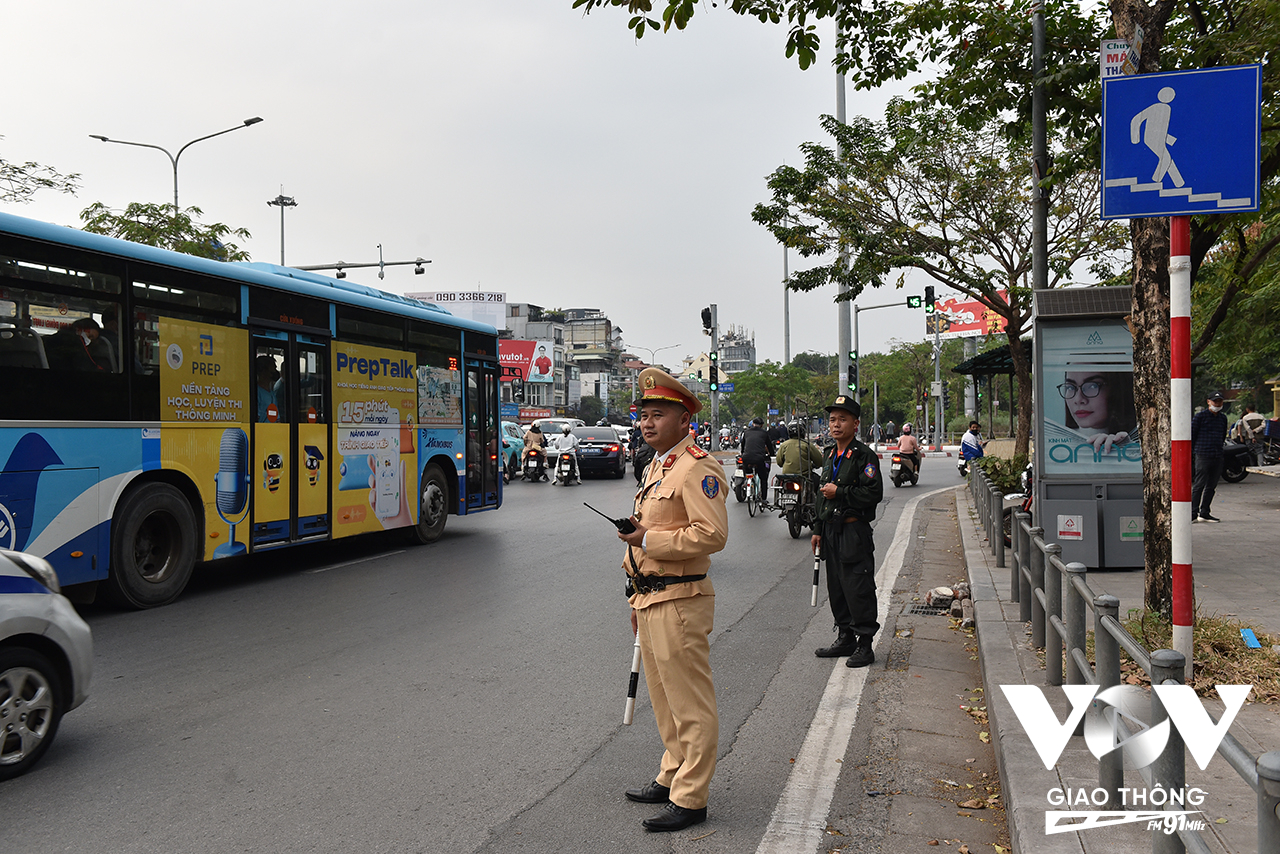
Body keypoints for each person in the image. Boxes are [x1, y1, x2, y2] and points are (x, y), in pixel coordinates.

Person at [618, 367, 728, 833]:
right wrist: (634, 597)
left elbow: (712, 534)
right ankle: (672, 774)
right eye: (644, 414)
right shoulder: (656, 464)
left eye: (657, 414)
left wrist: (648, 540)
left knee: (690, 703)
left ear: (685, 420)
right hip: (651, 598)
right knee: (664, 701)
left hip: (681, 599)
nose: (646, 423)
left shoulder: (698, 466)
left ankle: (691, 797)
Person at [811, 395, 884, 668]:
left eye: (842, 419)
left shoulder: (864, 455)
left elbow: (873, 492)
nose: (836, 424)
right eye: (832, 419)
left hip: (854, 532)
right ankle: (845, 637)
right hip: (831, 531)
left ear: (855, 424)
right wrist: (818, 528)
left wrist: (839, 492)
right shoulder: (830, 454)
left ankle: (865, 645)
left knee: (858, 587)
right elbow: (821, 496)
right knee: (838, 587)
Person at [1059, 370, 1137, 456]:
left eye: (1092, 386)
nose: (1078, 399)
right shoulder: (1056, 444)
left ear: (1117, 388)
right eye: (1070, 387)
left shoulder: (1140, 444)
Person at [1191, 392, 1229, 522]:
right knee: (1199, 484)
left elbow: (1223, 434)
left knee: (1211, 486)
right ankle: (1193, 512)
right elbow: (1192, 434)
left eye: (1219, 402)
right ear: (1208, 402)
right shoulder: (1200, 417)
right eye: (1215, 401)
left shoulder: (1223, 418)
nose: (1217, 404)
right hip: (1203, 453)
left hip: (1217, 454)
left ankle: (1205, 511)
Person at [739, 418, 775, 496]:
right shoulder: (764, 433)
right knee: (763, 478)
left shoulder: (746, 432)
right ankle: (764, 498)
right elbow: (769, 445)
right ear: (762, 425)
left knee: (747, 471)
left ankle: (746, 480)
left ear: (753, 424)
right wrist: (772, 454)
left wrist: (742, 453)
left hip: (746, 458)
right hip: (759, 459)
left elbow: (743, 445)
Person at [255, 355, 282, 422]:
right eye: (273, 369)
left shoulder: (272, 393)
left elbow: (277, 418)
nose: (275, 372)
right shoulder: (256, 392)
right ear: (263, 371)